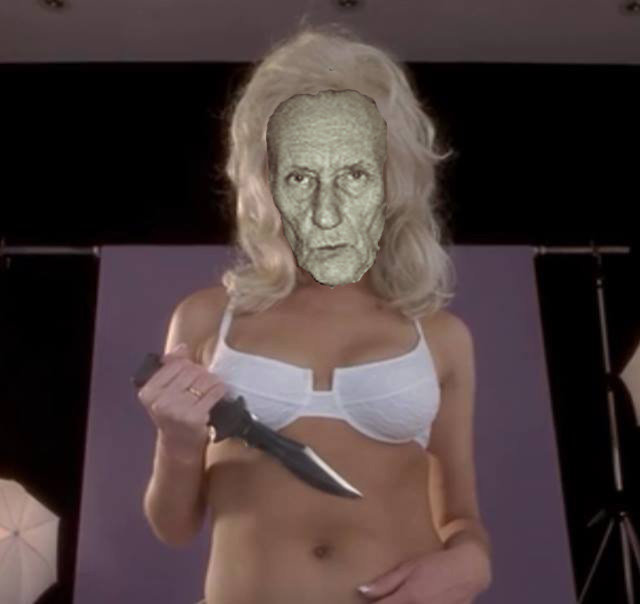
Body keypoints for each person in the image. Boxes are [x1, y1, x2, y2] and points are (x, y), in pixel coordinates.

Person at [139, 20, 492, 604]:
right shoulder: (206, 321)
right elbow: (173, 527)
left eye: (353, 172)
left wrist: (472, 563)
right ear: (267, 178)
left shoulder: (440, 336)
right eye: (302, 173)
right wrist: (177, 443)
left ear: (390, 179)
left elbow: (460, 515)